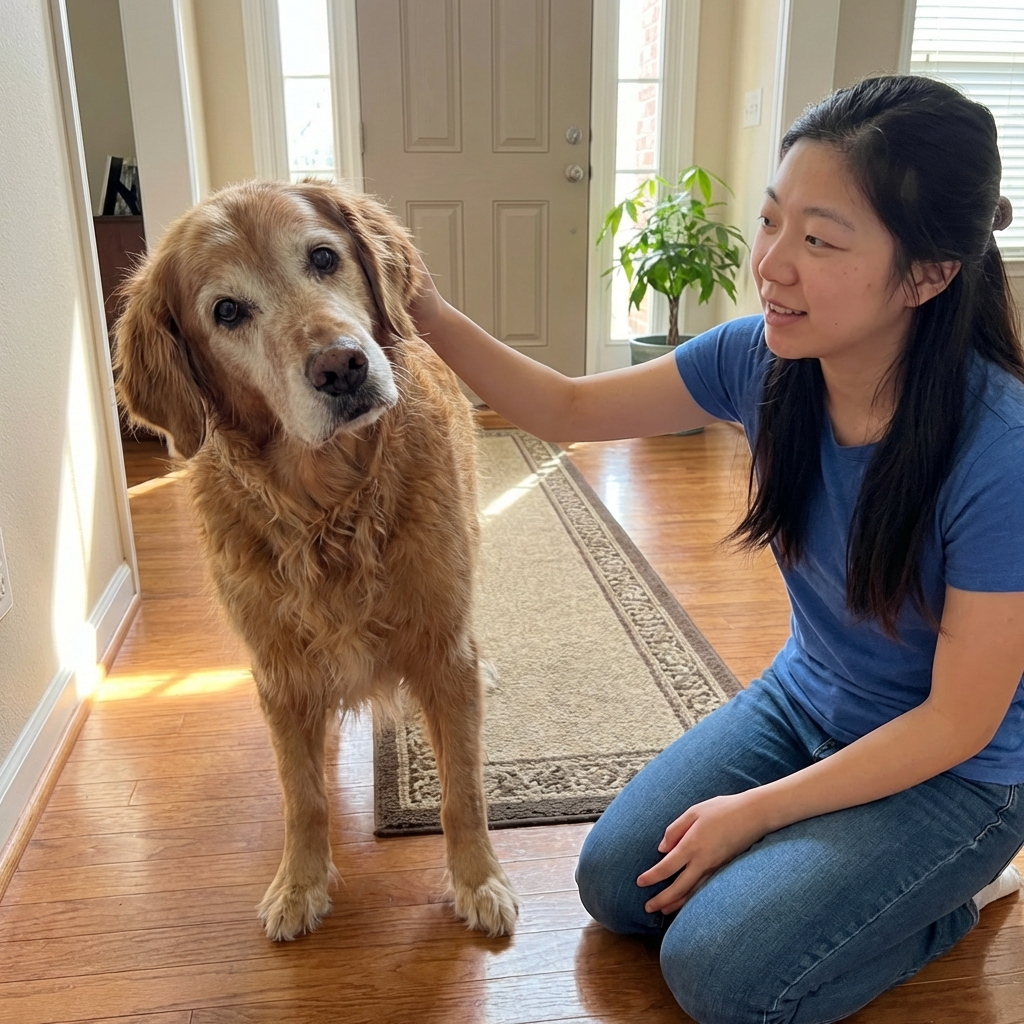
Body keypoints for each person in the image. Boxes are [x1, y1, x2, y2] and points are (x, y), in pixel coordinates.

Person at [407, 75, 1024, 1023]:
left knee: (719, 976)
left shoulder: (1001, 452)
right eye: (773, 220)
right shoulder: (764, 361)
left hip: (962, 777)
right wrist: (428, 313)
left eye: (819, 240)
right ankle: (837, 864)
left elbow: (956, 724)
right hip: (807, 701)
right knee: (617, 884)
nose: (771, 263)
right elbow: (567, 409)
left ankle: (953, 899)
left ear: (928, 275)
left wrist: (761, 810)